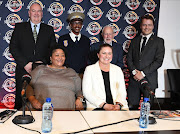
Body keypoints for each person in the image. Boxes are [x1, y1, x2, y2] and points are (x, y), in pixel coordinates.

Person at [9, 2, 56, 110]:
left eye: (39, 11)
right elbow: (13, 47)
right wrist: (25, 64)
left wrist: (41, 63)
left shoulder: (48, 29)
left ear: (42, 14)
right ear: (29, 13)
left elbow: (52, 49)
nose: (36, 13)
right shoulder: (20, 27)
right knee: (21, 98)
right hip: (23, 69)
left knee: (41, 97)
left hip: (42, 70)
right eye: (33, 11)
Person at [26, 45, 84, 110]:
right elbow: (28, 86)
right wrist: (32, 100)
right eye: (57, 55)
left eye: (62, 55)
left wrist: (79, 99)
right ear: (50, 58)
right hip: (42, 111)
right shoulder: (40, 69)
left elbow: (79, 90)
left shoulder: (71, 72)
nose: (60, 58)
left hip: (67, 113)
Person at [127, 14, 165, 109]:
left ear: (153, 26)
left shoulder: (159, 41)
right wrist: (135, 72)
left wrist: (142, 73)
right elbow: (129, 58)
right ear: (140, 26)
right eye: (144, 24)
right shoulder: (134, 41)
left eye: (149, 25)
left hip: (149, 80)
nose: (146, 27)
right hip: (134, 80)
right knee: (132, 108)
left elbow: (158, 61)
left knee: (147, 109)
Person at [83, 44, 129, 111]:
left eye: (109, 53)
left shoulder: (117, 69)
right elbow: (87, 93)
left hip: (116, 107)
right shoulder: (89, 69)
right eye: (104, 53)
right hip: (97, 106)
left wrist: (118, 105)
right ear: (98, 55)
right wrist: (104, 105)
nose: (107, 56)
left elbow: (122, 91)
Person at [58, 12, 90, 77]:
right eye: (75, 23)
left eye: (79, 23)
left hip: (82, 74)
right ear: (70, 25)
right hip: (66, 74)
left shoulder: (86, 40)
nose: (77, 26)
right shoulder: (63, 39)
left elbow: (87, 59)